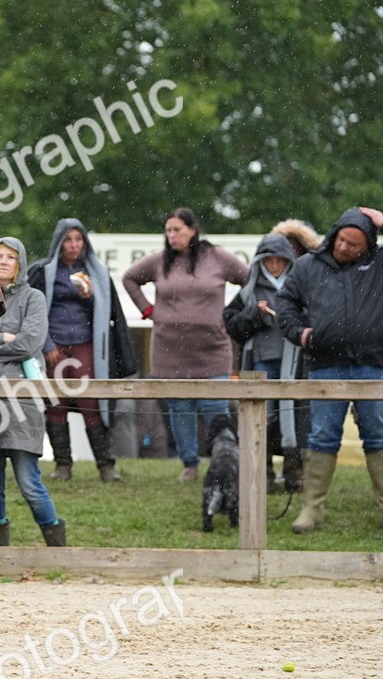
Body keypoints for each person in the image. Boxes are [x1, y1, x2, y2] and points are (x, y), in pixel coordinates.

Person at [276, 206, 383, 533]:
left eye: (354, 244)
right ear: (333, 234)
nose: (344, 247)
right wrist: (300, 334)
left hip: (374, 364)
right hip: (325, 365)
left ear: (368, 245)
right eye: (341, 239)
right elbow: (285, 304)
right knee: (322, 436)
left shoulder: (379, 264)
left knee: (379, 435)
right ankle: (312, 509)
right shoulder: (307, 266)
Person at [122, 208, 249, 481]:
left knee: (215, 408)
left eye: (177, 230)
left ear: (193, 230)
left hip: (212, 351)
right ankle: (189, 464)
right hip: (170, 352)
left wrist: (233, 314)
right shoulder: (159, 261)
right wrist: (147, 310)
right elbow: (129, 278)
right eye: (168, 230)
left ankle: (224, 460)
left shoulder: (216, 257)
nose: (172, 235)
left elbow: (250, 279)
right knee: (180, 409)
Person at [0, 239, 66, 547]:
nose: (4, 261)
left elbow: (30, 343)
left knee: (29, 482)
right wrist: (1, 338)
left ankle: (57, 552)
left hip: (22, 400)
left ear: (20, 263)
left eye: (11, 256)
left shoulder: (33, 298)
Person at [28, 219, 138, 483]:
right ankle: (62, 465)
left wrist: (90, 298)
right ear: (58, 242)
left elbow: (108, 315)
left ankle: (106, 465)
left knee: (91, 402)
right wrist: (47, 345)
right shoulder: (42, 272)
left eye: (78, 239)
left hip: (86, 344)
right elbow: (34, 312)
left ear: (85, 243)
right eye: (68, 239)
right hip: (54, 345)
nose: (73, 245)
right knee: (55, 402)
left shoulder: (96, 272)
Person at [222, 233, 306, 493]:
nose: (275, 265)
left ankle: (294, 475)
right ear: (261, 262)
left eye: (280, 260)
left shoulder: (300, 287)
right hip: (260, 362)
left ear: (288, 261)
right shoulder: (249, 291)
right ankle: (263, 474)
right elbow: (231, 325)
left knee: (294, 417)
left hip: (295, 365)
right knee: (262, 418)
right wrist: (254, 315)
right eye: (269, 260)